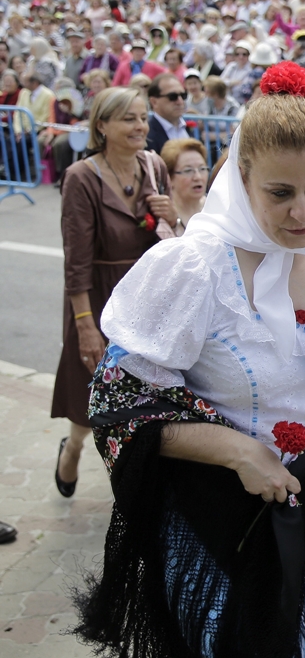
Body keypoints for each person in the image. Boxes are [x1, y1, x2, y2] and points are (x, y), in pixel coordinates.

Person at [72, 64, 305, 657]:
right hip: (215, 518)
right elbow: (118, 404)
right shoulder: (195, 269)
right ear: (242, 179)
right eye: (281, 193)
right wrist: (240, 451)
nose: (303, 212)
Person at [52, 87, 179, 500]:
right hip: (100, 301)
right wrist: (85, 325)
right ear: (101, 125)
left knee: (143, 399)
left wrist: (171, 216)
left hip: (146, 300)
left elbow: (172, 239)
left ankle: (133, 488)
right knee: (89, 400)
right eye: (129, 118)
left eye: (143, 117)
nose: (140, 126)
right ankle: (71, 449)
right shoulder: (81, 178)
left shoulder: (155, 165)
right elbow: (77, 262)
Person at [160, 137, 209, 232]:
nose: (198, 177)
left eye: (202, 169)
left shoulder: (214, 208)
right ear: (169, 178)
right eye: (188, 170)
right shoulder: (164, 215)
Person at [146, 73, 190, 154]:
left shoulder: (188, 129)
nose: (180, 101)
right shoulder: (147, 136)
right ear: (154, 102)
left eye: (183, 95)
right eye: (173, 96)